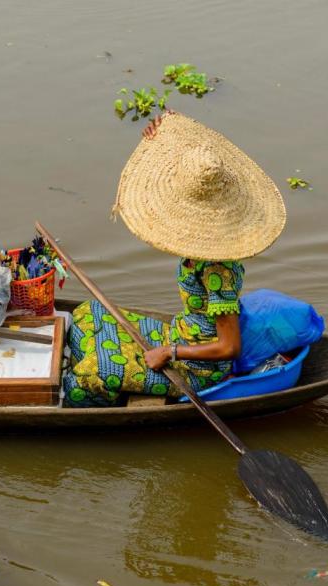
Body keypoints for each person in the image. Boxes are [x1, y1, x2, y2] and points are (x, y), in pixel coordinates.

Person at [62, 111, 286, 407]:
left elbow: (229, 347)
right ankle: (95, 369)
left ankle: (87, 400)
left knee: (92, 374)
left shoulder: (218, 270)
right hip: (179, 332)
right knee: (87, 312)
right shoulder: (200, 247)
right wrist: (161, 132)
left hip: (196, 368)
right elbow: (180, 136)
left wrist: (170, 353)